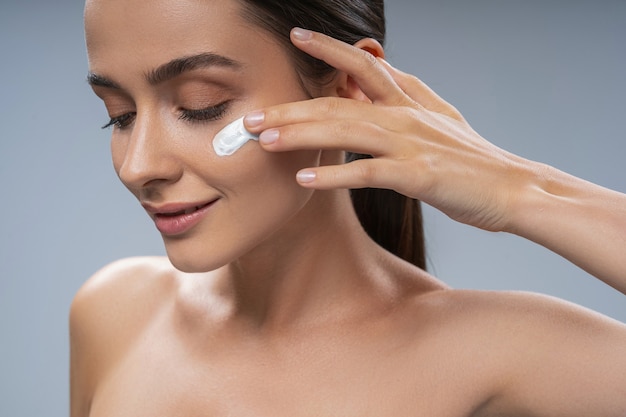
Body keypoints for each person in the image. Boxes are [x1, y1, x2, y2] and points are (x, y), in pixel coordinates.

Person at [72, 0, 626, 416]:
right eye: (118, 114)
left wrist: (516, 189)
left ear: (346, 87)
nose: (138, 165)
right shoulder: (113, 313)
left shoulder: (496, 355)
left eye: (200, 106)